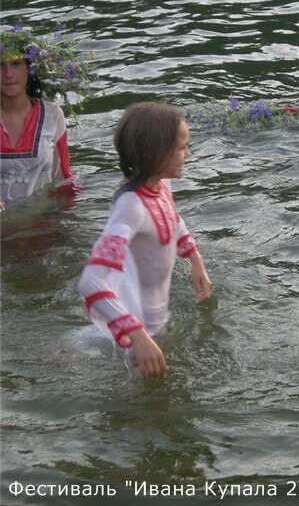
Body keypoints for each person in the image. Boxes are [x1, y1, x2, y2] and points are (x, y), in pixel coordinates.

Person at [78, 102, 212, 378]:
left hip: (153, 329)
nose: (187, 154)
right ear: (157, 152)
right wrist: (137, 336)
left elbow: (172, 220)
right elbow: (91, 281)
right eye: (181, 147)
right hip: (130, 342)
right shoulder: (131, 206)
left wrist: (195, 258)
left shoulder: (161, 184)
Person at [0, 28, 79, 208]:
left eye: (16, 64)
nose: (8, 74)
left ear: (29, 69)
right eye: (0, 65)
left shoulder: (52, 115)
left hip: (42, 226)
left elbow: (63, 178)